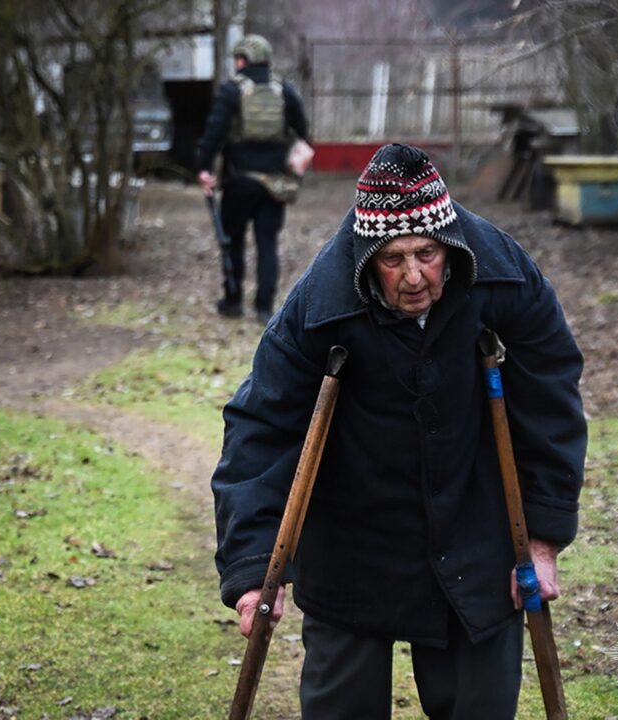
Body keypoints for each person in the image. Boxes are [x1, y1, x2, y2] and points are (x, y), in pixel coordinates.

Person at [211, 143, 586, 719]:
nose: (414, 276)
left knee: (479, 707)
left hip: (474, 524)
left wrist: (542, 540)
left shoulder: (503, 276)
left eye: (427, 254)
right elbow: (262, 425)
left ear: (448, 244)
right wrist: (253, 566)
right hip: (353, 537)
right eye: (392, 259)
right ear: (367, 257)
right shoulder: (321, 304)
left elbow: (550, 398)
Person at [195, 34, 309, 323]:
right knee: (267, 242)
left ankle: (233, 301)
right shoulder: (285, 90)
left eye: (237, 58)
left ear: (244, 59)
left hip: (239, 181)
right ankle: (264, 306)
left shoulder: (231, 91)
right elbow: (304, 133)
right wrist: (293, 168)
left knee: (232, 240)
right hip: (275, 184)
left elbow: (213, 133)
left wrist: (204, 168)